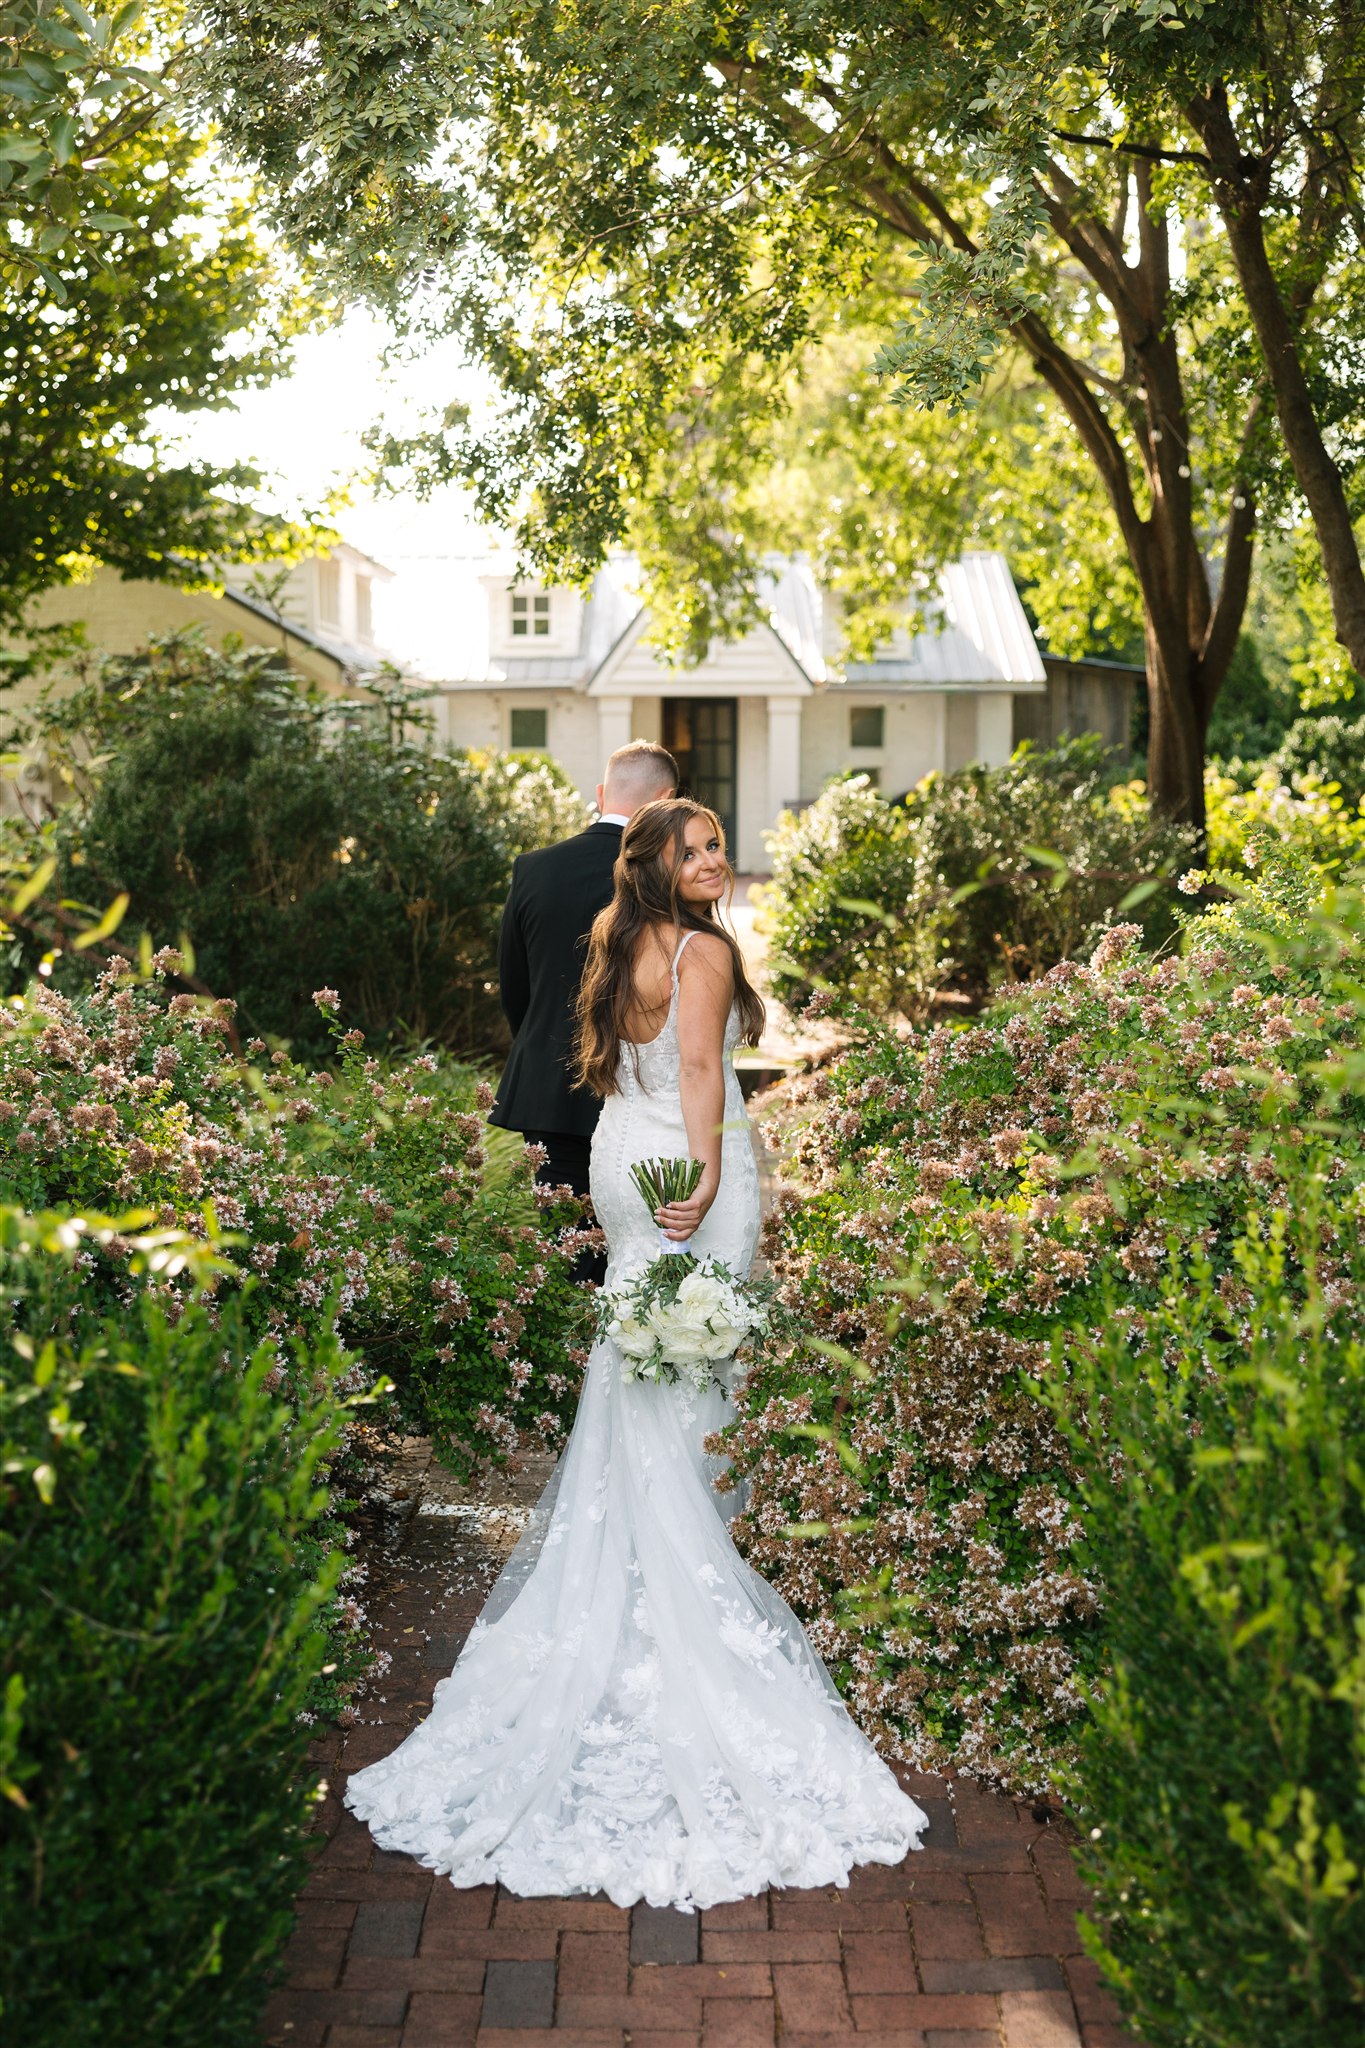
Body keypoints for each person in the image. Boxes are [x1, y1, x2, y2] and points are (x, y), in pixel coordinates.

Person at [344, 798, 928, 1909]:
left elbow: (612, 1068)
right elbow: (701, 1070)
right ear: (658, 865)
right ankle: (688, 1561)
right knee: (696, 1357)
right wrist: (708, 1173)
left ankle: (637, 1556)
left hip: (621, 1155)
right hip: (679, 1168)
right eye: (695, 849)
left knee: (641, 1354)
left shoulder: (620, 945)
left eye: (717, 845)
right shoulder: (702, 950)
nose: (716, 860)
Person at [488, 739, 678, 1201]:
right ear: (666, 802)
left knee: (567, 1251)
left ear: (601, 793)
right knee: (643, 1243)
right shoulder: (668, 875)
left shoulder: (533, 868)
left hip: (550, 1087)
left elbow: (515, 986)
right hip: (641, 1087)